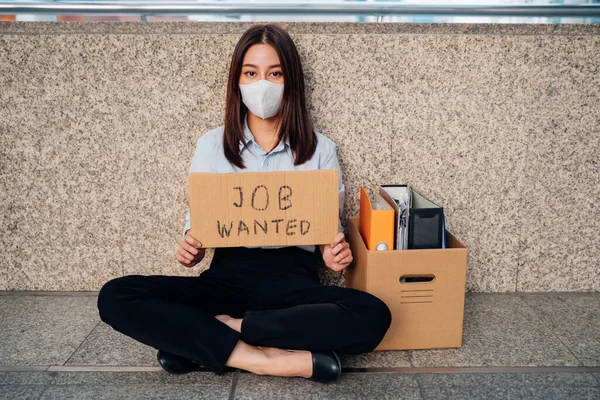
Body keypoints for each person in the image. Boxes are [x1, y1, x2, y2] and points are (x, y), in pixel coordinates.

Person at [97, 23, 392, 383]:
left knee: (374, 314)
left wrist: (333, 254)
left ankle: (217, 337)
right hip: (226, 280)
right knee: (116, 295)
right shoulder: (211, 144)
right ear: (237, 80)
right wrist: (192, 246)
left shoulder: (320, 149)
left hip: (293, 285)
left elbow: (325, 233)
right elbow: (200, 224)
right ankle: (263, 358)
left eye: (275, 73)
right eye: (251, 73)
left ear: (291, 80)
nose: (262, 84)